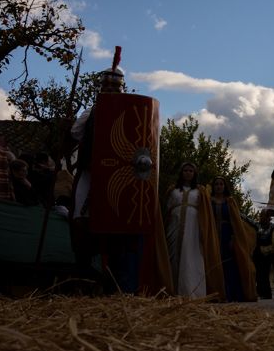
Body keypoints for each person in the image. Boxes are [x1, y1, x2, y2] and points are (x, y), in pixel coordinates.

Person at [70, 54, 172, 295]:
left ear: (121, 88)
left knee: (121, 235)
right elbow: (74, 135)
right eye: (107, 87)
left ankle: (118, 285)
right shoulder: (91, 112)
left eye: (114, 87)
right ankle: (86, 277)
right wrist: (67, 128)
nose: (110, 90)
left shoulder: (130, 112)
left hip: (122, 180)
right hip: (91, 174)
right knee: (81, 221)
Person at [165, 162, 217, 297]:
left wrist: (203, 229)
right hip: (174, 225)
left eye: (190, 171)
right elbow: (167, 210)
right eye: (185, 170)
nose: (188, 173)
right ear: (181, 173)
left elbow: (205, 212)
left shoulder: (200, 191)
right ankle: (172, 291)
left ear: (194, 174)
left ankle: (190, 291)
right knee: (173, 256)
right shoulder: (173, 190)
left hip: (193, 228)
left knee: (190, 256)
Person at [208, 176, 257, 302]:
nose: (219, 186)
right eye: (216, 184)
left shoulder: (229, 201)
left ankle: (230, 294)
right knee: (214, 262)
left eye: (221, 184)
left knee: (228, 264)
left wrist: (233, 237)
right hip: (212, 234)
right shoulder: (208, 201)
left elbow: (235, 222)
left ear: (225, 187)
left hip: (226, 234)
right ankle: (215, 293)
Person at [252, 209, 274, 299]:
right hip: (258, 253)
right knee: (258, 273)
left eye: (263, 216)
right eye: (261, 216)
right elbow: (248, 219)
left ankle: (266, 294)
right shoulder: (258, 225)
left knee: (265, 273)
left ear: (268, 218)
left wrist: (269, 250)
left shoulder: (273, 227)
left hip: (268, 253)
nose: (261, 217)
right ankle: (260, 292)